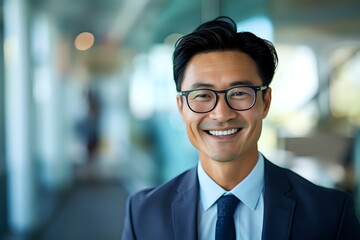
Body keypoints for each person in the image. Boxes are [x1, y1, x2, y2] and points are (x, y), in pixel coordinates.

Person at [121, 16, 360, 240]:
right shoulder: (143, 213)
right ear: (181, 107)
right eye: (202, 95)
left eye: (239, 93)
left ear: (265, 102)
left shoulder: (329, 213)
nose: (222, 114)